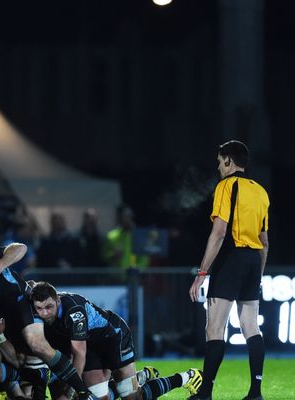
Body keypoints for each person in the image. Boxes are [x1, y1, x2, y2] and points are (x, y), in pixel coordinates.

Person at [188, 140, 269, 400]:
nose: (219, 167)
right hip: (253, 261)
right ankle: (255, 392)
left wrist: (201, 273)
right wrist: (258, 273)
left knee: (215, 329)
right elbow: (264, 241)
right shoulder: (260, 192)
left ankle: (206, 393)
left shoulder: (225, 186)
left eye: (220, 162)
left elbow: (220, 232)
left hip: (230, 260)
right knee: (251, 328)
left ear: (228, 161)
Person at [29, 281, 202, 400]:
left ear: (58, 300)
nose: (44, 313)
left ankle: (187, 377)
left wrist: (71, 390)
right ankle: (140, 377)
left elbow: (78, 353)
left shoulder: (73, 311)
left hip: (112, 337)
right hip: (90, 345)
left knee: (132, 397)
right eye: (39, 309)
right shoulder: (37, 313)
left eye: (49, 307)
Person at [102, 205, 148, 269]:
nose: (125, 219)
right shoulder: (111, 236)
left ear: (132, 217)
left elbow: (144, 260)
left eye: (128, 216)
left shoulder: (140, 236)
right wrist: (113, 256)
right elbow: (104, 257)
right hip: (116, 276)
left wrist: (137, 269)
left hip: (134, 276)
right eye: (122, 217)